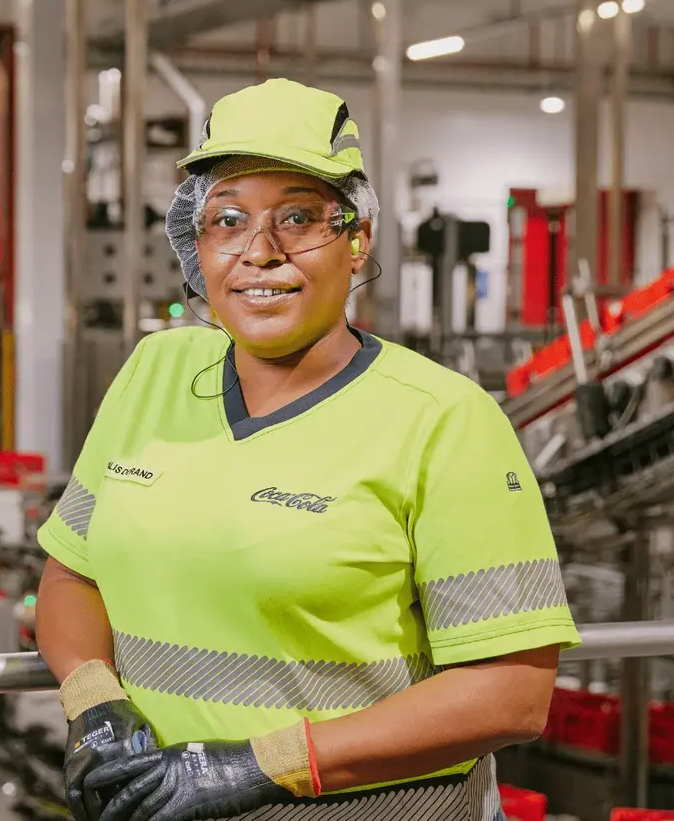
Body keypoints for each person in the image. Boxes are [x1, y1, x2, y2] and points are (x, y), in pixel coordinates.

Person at [35, 78, 579, 821]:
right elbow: (71, 577)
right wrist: (93, 697)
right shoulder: (151, 374)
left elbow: (511, 694)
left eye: (298, 218)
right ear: (197, 245)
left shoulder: (443, 419)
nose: (261, 253)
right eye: (228, 220)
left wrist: (267, 764)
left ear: (357, 241)